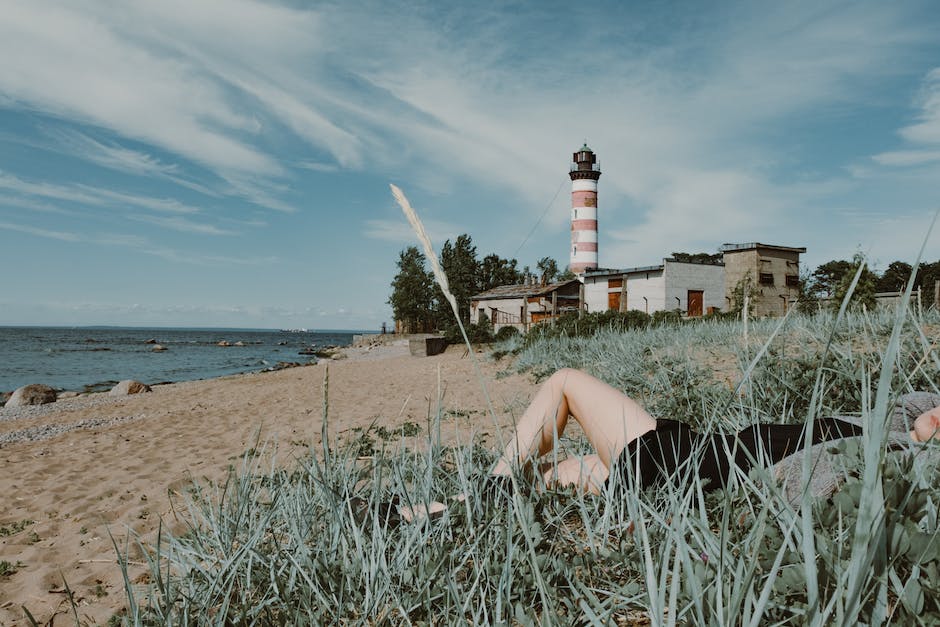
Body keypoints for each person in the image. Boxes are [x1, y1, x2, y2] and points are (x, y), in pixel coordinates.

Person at [370, 368, 940, 525]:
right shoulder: (883, 424)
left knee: (565, 382)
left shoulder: (888, 455)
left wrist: (918, 440)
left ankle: (490, 488)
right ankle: (420, 516)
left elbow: (801, 487)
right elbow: (919, 403)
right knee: (557, 474)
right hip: (696, 466)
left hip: (692, 466)